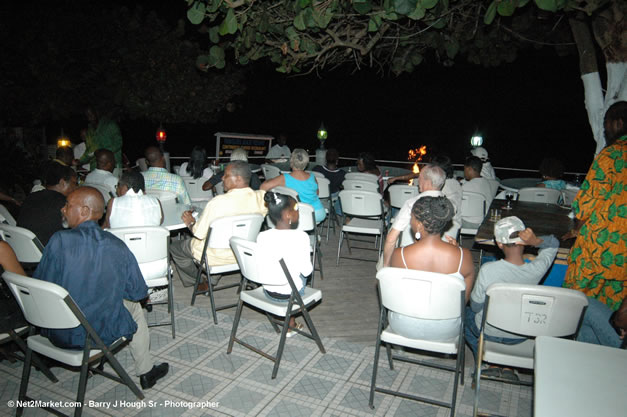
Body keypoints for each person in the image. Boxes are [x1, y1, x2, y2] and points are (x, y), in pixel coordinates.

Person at [33, 187, 168, 389]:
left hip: (58, 332)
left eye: (68, 205)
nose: (62, 210)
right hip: (96, 332)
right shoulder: (117, 246)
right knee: (135, 308)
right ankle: (146, 371)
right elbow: (138, 292)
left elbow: (41, 285)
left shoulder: (58, 241)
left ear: (85, 211)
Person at [465, 216, 559, 381]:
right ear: (524, 241)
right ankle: (508, 367)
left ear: (499, 244)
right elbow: (553, 243)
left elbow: (475, 306)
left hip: (489, 333)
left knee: (465, 316)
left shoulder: (489, 270)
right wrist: (535, 241)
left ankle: (488, 361)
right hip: (521, 334)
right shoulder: (537, 269)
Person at [562, 101, 627, 312]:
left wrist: (577, 229)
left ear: (618, 123)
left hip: (597, 251)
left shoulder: (611, 155)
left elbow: (585, 204)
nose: (605, 129)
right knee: (610, 314)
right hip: (623, 260)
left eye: (606, 123)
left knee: (574, 307)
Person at [169, 161, 267, 290]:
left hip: (214, 257)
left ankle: (198, 282)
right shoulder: (262, 198)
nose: (222, 178)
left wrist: (190, 222)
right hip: (243, 253)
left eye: (226, 175)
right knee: (221, 237)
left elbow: (199, 233)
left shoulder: (217, 203)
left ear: (238, 179)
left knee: (175, 248)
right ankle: (212, 279)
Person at [388, 196, 475, 341]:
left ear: (420, 225)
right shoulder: (463, 256)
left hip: (405, 325)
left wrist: (417, 244)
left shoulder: (399, 255)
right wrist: (457, 251)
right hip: (446, 329)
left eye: (412, 218)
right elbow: (463, 301)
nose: (411, 222)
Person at [257, 191, 313, 336]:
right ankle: (293, 316)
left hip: (268, 291)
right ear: (288, 215)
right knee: (301, 273)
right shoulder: (301, 237)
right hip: (289, 295)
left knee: (287, 270)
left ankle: (288, 319)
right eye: (296, 208)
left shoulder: (262, 236)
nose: (298, 211)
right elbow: (307, 271)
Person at [382, 164, 457, 267]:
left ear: (427, 181)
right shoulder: (451, 205)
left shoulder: (412, 203)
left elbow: (391, 238)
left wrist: (385, 265)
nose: (417, 182)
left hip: (410, 253)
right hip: (444, 256)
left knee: (388, 248)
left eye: (419, 178)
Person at [18, 162, 78, 245]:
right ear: (62, 183)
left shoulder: (31, 197)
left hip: (23, 248)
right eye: (74, 183)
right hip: (48, 252)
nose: (76, 188)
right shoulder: (64, 205)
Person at [261, 149, 326, 223]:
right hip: (318, 213)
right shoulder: (312, 177)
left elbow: (263, 187)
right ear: (306, 163)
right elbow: (317, 193)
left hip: (299, 214)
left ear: (291, 162)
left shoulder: (285, 178)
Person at [76, 106, 123, 172]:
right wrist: (80, 161)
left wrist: (102, 152)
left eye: (91, 114)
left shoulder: (110, 124)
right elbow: (89, 150)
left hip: (112, 166)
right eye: (87, 116)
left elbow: (118, 143)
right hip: (95, 168)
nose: (89, 118)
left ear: (97, 113)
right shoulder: (89, 131)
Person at [313, 148, 345, 215]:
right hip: (333, 197)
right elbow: (343, 186)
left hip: (319, 195)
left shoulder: (317, 169)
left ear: (325, 159)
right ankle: (339, 214)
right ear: (337, 161)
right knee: (342, 194)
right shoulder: (342, 174)